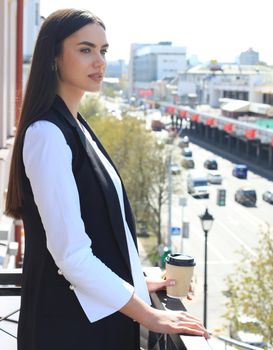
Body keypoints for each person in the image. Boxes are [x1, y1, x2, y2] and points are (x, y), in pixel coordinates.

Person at [5, 8, 208, 350]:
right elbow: (71, 255)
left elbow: (102, 228)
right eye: (85, 50)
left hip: (90, 324)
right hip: (69, 331)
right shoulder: (48, 134)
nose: (99, 61)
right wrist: (149, 314)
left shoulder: (75, 126)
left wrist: (138, 278)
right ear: (54, 56)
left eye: (103, 51)